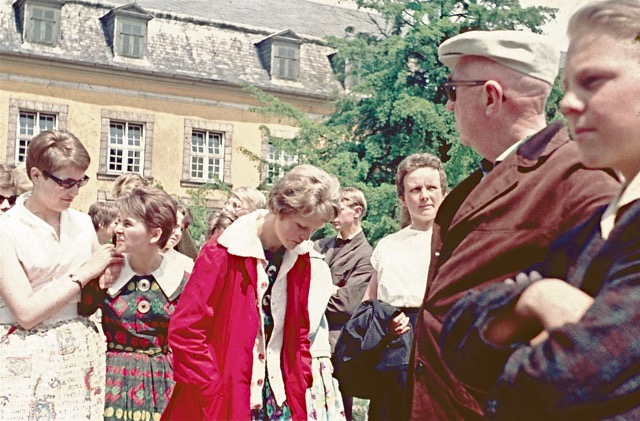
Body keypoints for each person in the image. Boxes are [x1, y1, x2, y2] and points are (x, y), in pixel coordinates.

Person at [440, 2, 640, 418]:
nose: (566, 103)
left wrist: (527, 317)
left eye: (592, 80)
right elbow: (458, 332)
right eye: (568, 85)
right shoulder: (597, 224)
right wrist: (540, 296)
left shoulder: (580, 179)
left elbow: (565, 379)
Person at [162, 164, 340, 421]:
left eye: (314, 229)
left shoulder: (299, 260)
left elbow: (299, 333)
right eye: (301, 226)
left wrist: (299, 380)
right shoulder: (222, 251)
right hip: (227, 399)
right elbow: (186, 331)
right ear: (279, 208)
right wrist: (213, 388)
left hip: (279, 399)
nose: (306, 237)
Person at [0, 129, 123, 420]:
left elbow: (90, 301)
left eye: (79, 182)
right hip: (24, 357)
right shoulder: (7, 229)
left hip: (78, 359)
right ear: (36, 175)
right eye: (65, 182)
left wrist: (105, 279)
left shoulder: (81, 224)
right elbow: (26, 313)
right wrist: (84, 273)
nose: (74, 192)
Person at [79, 186, 189, 420]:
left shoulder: (182, 279)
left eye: (127, 224)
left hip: (163, 381)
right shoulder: (104, 271)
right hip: (110, 380)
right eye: (118, 222)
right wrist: (96, 278)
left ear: (155, 234)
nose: (117, 229)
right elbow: (80, 311)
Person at [361, 153, 446, 420]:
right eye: (415, 189)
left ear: (443, 192)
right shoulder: (388, 245)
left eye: (431, 188)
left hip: (439, 348)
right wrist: (382, 323)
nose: (424, 196)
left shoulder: (457, 241)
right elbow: (368, 302)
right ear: (402, 197)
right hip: (393, 348)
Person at [314, 187, 373, 421]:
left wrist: (315, 289)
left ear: (357, 211)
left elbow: (346, 305)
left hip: (336, 347)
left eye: (338, 210)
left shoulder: (366, 255)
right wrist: (331, 288)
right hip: (308, 341)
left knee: (338, 412)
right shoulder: (319, 246)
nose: (333, 216)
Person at [162, 204, 195, 273]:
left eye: (182, 229)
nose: (178, 233)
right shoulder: (137, 258)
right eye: (175, 226)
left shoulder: (186, 266)